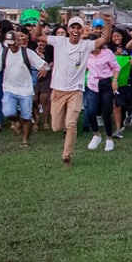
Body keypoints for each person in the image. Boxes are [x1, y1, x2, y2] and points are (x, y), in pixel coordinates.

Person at [32, 12, 112, 166]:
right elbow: (37, 36)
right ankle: (64, 139)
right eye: (73, 28)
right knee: (56, 126)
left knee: (71, 124)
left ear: (82, 30)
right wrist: (41, 21)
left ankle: (67, 155)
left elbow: (104, 39)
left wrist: (108, 24)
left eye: (78, 28)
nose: (75, 31)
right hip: (58, 90)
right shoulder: (59, 41)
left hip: (75, 90)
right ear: (68, 29)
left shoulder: (86, 45)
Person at [0, 28, 49, 148]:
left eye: (14, 44)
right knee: (8, 112)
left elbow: (43, 64)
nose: (12, 47)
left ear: (18, 41)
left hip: (25, 90)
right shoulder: (4, 53)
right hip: (9, 88)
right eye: (9, 45)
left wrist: (44, 69)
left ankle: (25, 140)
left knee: (26, 116)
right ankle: (17, 120)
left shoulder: (27, 53)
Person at [84, 35, 120, 153]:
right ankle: (96, 134)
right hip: (92, 83)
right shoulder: (85, 54)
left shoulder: (107, 53)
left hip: (105, 83)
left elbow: (115, 67)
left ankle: (109, 138)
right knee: (91, 111)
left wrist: (115, 80)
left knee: (106, 112)